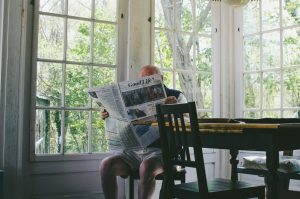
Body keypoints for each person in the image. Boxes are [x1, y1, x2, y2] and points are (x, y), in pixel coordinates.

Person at [99, 65, 187, 199]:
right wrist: (108, 114)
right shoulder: (131, 99)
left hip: (161, 152)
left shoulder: (176, 96)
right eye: (142, 81)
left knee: (146, 167)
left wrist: (174, 109)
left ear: (160, 79)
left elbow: (189, 120)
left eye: (149, 79)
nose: (145, 84)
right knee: (106, 165)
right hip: (132, 152)